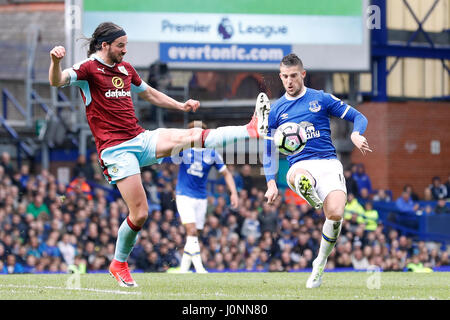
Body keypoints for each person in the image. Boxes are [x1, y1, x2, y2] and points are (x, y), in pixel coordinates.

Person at [49, 22, 269, 287]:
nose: (125, 51)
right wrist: (54, 61)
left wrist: (181, 105)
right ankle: (119, 263)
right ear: (104, 45)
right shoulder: (88, 69)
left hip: (140, 138)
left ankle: (250, 129)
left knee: (190, 138)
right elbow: (57, 81)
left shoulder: (125, 69)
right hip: (116, 150)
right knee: (140, 214)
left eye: (126, 45)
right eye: (121, 46)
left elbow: (150, 93)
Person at [263, 53, 371, 288]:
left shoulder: (320, 99)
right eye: (284, 77)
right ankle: (306, 187)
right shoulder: (276, 110)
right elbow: (268, 149)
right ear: (280, 77)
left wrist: (355, 133)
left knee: (335, 214)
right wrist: (271, 181)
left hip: (328, 163)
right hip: (300, 164)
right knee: (299, 176)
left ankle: (319, 263)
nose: (289, 81)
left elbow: (358, 116)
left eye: (293, 76)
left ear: (302, 74)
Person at [175, 121, 238, 273]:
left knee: (195, 233)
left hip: (201, 198)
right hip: (184, 195)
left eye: (200, 131)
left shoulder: (212, 153)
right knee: (191, 231)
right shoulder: (183, 149)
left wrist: (234, 193)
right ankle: (199, 267)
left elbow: (226, 174)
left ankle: (183, 270)